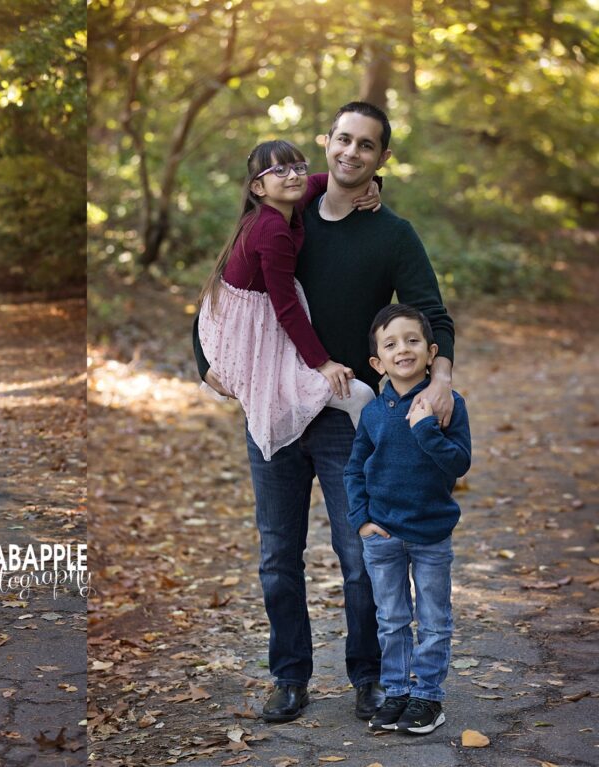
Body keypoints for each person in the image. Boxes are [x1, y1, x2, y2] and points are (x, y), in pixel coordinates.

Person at [193, 101, 456, 723]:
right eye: (343, 140)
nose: (351, 153)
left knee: (361, 553)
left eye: (367, 146)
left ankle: (369, 678)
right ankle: (289, 677)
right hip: (275, 414)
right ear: (327, 142)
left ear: (381, 159)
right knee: (277, 556)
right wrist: (201, 364)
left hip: (347, 423)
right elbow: (227, 298)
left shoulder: (392, 234)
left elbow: (433, 314)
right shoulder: (282, 212)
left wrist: (439, 380)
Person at [196, 138, 377, 459]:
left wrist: (372, 182)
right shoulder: (272, 230)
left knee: (351, 395)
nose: (293, 176)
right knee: (359, 394)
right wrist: (323, 363)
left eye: (298, 167)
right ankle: (379, 462)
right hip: (246, 334)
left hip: (253, 317)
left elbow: (324, 180)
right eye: (279, 170)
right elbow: (286, 307)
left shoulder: (287, 202)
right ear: (258, 186)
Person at [344, 304, 471, 735]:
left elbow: (458, 463)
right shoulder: (375, 413)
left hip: (432, 533)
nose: (404, 349)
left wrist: (426, 430)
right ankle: (397, 692)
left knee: (434, 621)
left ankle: (428, 698)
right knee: (392, 620)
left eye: (413, 340)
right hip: (383, 536)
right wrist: (361, 519)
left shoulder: (448, 404)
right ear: (378, 361)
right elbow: (354, 468)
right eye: (391, 343)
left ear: (432, 352)